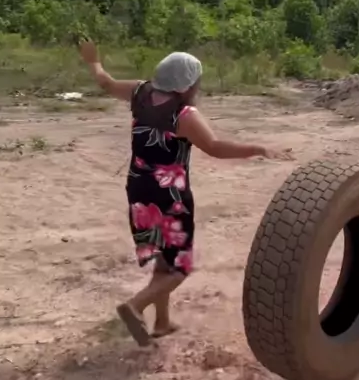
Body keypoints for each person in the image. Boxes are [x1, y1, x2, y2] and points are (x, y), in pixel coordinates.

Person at [79, 41, 292, 346]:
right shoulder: (184, 115)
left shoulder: (139, 92)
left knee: (163, 258)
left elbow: (106, 83)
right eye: (196, 82)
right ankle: (135, 306)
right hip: (170, 196)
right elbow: (215, 147)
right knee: (179, 268)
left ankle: (162, 322)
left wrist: (93, 61)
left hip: (138, 188)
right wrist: (258, 148)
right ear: (186, 85)